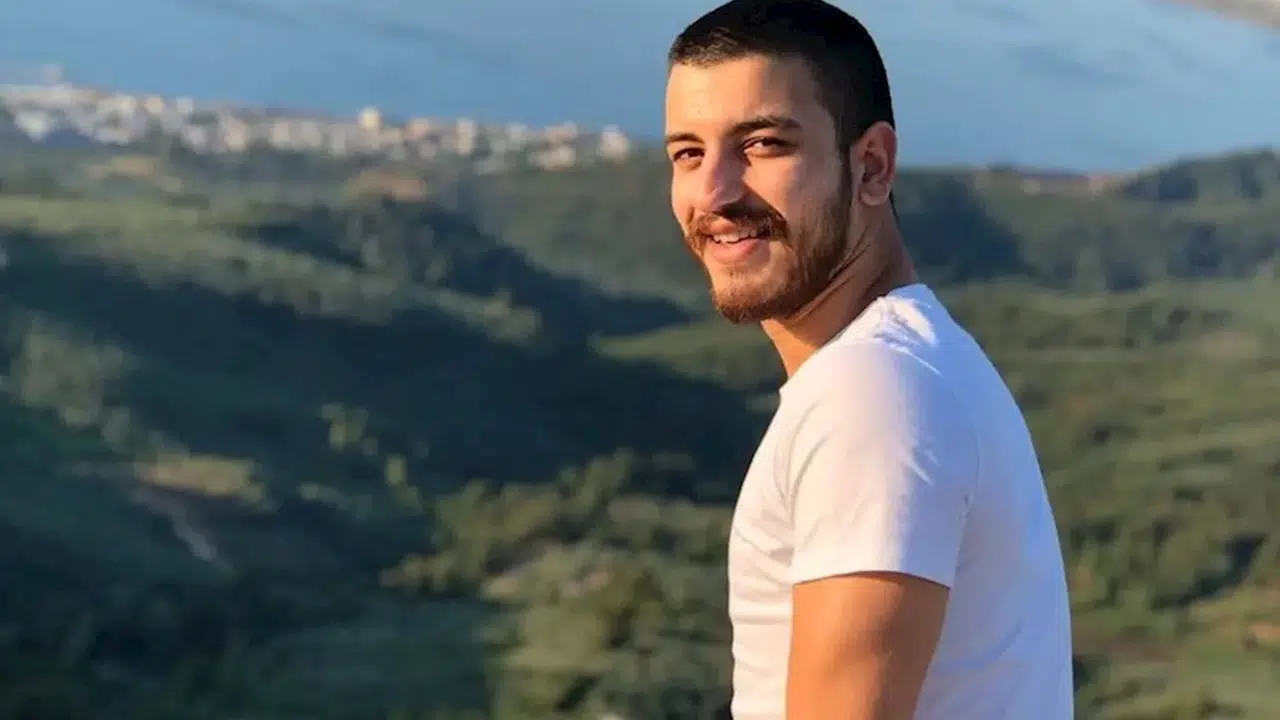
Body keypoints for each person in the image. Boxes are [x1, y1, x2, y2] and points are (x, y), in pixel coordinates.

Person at [662, 1, 1075, 718]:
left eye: (763, 144)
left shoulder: (872, 394)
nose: (715, 192)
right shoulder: (908, 368)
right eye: (688, 153)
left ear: (872, 167)